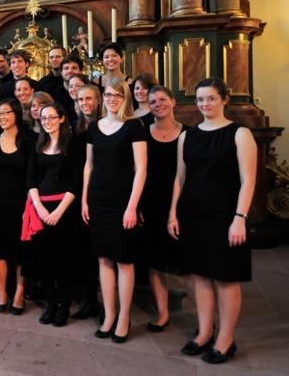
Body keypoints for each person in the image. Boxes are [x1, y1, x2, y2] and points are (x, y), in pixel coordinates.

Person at [168, 77, 256, 364]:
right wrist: (173, 213)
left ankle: (225, 339)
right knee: (199, 276)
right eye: (200, 99)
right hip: (193, 215)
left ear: (224, 100)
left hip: (225, 216)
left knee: (226, 279)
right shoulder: (187, 136)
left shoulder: (239, 134)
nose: (205, 104)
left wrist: (239, 218)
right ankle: (204, 332)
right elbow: (180, 178)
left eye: (211, 98)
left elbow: (248, 181)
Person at [82, 77, 147, 343]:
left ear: (125, 98)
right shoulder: (94, 127)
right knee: (103, 259)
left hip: (122, 202)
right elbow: (89, 166)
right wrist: (84, 200)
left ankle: (123, 317)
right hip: (97, 200)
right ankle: (109, 315)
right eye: (107, 95)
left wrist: (132, 207)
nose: (111, 99)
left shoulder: (134, 127)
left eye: (117, 95)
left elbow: (141, 169)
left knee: (124, 261)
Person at [25, 102, 79, 327]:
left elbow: (76, 181)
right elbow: (30, 179)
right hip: (41, 209)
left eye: (51, 117)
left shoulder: (72, 145)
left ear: (61, 118)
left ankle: (64, 306)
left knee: (64, 260)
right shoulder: (39, 145)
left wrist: (57, 211)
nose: (46, 121)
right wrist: (39, 207)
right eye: (43, 118)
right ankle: (50, 303)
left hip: (64, 210)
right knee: (44, 260)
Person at [140, 85, 187, 332]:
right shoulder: (142, 133)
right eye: (152, 101)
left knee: (187, 263)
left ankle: (204, 315)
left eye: (162, 99)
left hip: (180, 204)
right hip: (150, 203)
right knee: (155, 261)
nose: (157, 104)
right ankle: (163, 312)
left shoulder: (187, 133)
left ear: (172, 102)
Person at [0, 98, 30, 315]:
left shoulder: (28, 139)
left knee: (21, 251)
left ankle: (19, 293)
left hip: (23, 202)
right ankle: (2, 293)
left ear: (16, 114)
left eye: (6, 112)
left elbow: (32, 175)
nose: (1, 116)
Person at [70, 84, 103, 319]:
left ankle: (109, 305)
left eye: (89, 98)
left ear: (99, 100)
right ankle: (91, 299)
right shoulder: (76, 128)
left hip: (105, 191)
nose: (85, 103)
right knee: (87, 250)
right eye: (81, 99)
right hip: (80, 193)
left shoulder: (108, 125)